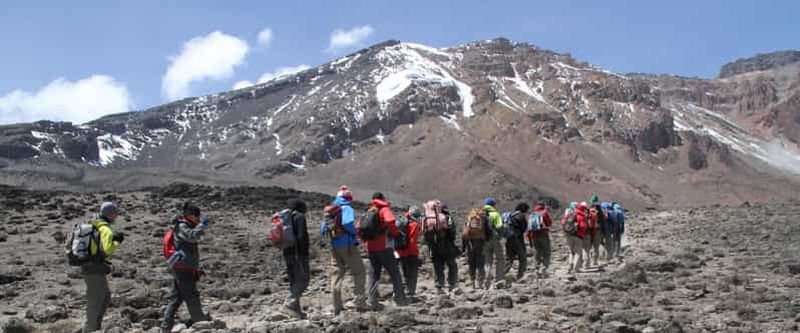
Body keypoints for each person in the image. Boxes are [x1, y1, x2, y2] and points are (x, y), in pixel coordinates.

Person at [161, 202, 211, 333]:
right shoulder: (182, 226)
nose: (198, 218)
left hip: (184, 267)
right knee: (192, 296)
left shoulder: (186, 225)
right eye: (196, 216)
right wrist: (201, 226)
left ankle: (166, 327)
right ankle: (200, 321)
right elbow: (192, 237)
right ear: (189, 215)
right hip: (183, 268)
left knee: (177, 298)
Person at [321, 186, 367, 314]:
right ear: (348, 198)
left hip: (333, 245)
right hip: (347, 245)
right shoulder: (346, 208)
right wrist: (355, 232)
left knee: (336, 274)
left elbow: (322, 229)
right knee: (359, 271)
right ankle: (360, 302)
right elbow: (347, 223)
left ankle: (337, 306)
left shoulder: (329, 210)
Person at [82, 202, 124, 333]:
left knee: (105, 296)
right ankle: (89, 329)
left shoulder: (93, 224)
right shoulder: (105, 229)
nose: (116, 216)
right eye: (115, 213)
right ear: (110, 214)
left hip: (89, 266)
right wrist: (117, 241)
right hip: (94, 268)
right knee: (97, 299)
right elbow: (107, 250)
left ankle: (95, 327)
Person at [362, 192, 407, 309]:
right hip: (384, 247)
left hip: (370, 248)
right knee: (394, 272)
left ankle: (372, 301)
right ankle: (399, 298)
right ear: (382, 199)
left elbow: (359, 227)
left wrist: (365, 241)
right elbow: (391, 221)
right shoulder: (384, 209)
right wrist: (396, 233)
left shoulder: (369, 211)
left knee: (373, 274)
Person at [281, 198, 311, 318]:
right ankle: (289, 303)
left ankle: (295, 310)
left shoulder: (285, 218)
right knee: (303, 280)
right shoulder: (299, 217)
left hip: (287, 252)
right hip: (299, 254)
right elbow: (301, 236)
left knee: (294, 281)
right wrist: (305, 250)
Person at [425, 203, 459, 293]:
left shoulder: (429, 219)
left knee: (438, 266)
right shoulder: (448, 217)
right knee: (452, 264)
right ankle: (452, 283)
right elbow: (452, 233)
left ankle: (439, 284)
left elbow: (425, 236)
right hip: (447, 245)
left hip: (434, 246)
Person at [396, 206, 421, 299]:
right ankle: (410, 293)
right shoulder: (414, 224)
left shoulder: (401, 221)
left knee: (402, 272)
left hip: (399, 251)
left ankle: (400, 292)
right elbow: (412, 241)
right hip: (410, 252)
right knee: (412, 273)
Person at [463, 208, 489, 290]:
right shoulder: (484, 219)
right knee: (480, 263)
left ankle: (472, 283)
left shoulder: (469, 218)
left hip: (470, 244)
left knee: (472, 264)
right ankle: (481, 283)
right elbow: (489, 231)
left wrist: (464, 247)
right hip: (480, 243)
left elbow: (464, 234)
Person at [483, 197, 505, 288]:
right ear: (493, 205)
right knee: (500, 259)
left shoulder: (481, 214)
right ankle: (498, 280)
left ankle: (486, 281)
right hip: (494, 239)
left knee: (487, 261)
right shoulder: (495, 214)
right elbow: (499, 226)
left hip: (484, 241)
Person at [504, 202, 529, 281]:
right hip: (518, 239)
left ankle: (501, 274)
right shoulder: (521, 216)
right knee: (523, 258)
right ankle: (520, 276)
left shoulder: (510, 215)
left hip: (509, 239)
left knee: (509, 258)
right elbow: (524, 228)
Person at [561, 202, 587, 274]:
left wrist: (566, 231)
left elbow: (563, 222)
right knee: (578, 253)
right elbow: (583, 227)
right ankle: (575, 269)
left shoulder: (570, 213)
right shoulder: (581, 215)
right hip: (578, 236)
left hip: (568, 235)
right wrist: (582, 233)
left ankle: (570, 267)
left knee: (571, 252)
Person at [529, 201, 553, 276]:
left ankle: (536, 268)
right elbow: (549, 223)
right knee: (546, 252)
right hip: (543, 235)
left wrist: (530, 240)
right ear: (543, 206)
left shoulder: (532, 214)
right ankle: (544, 268)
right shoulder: (544, 212)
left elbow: (529, 229)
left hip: (533, 236)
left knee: (537, 252)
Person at [589, 196, 607, 266]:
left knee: (589, 246)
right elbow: (603, 220)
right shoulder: (600, 210)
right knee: (596, 246)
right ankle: (595, 261)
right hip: (598, 230)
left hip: (590, 230)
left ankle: (588, 261)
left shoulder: (589, 209)